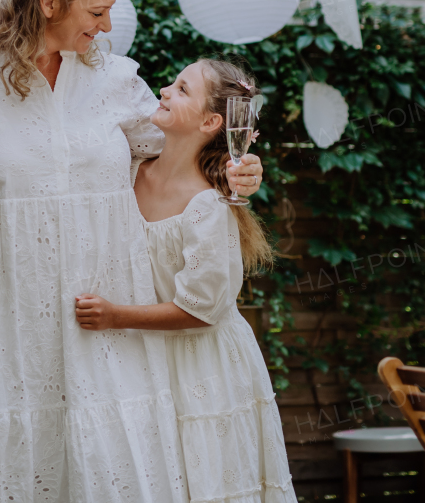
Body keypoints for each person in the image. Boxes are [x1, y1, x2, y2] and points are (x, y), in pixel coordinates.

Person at [0, 0, 265, 503]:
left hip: (107, 295)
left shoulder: (117, 79)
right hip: (18, 302)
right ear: (49, 3)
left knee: (115, 449)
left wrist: (241, 171)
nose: (105, 27)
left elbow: (188, 147)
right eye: (96, 12)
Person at [73, 60, 296, 503]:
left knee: (206, 479)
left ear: (211, 122)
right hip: (144, 355)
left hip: (203, 365)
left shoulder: (206, 207)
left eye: (181, 89)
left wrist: (115, 315)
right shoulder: (129, 168)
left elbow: (202, 311)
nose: (163, 90)